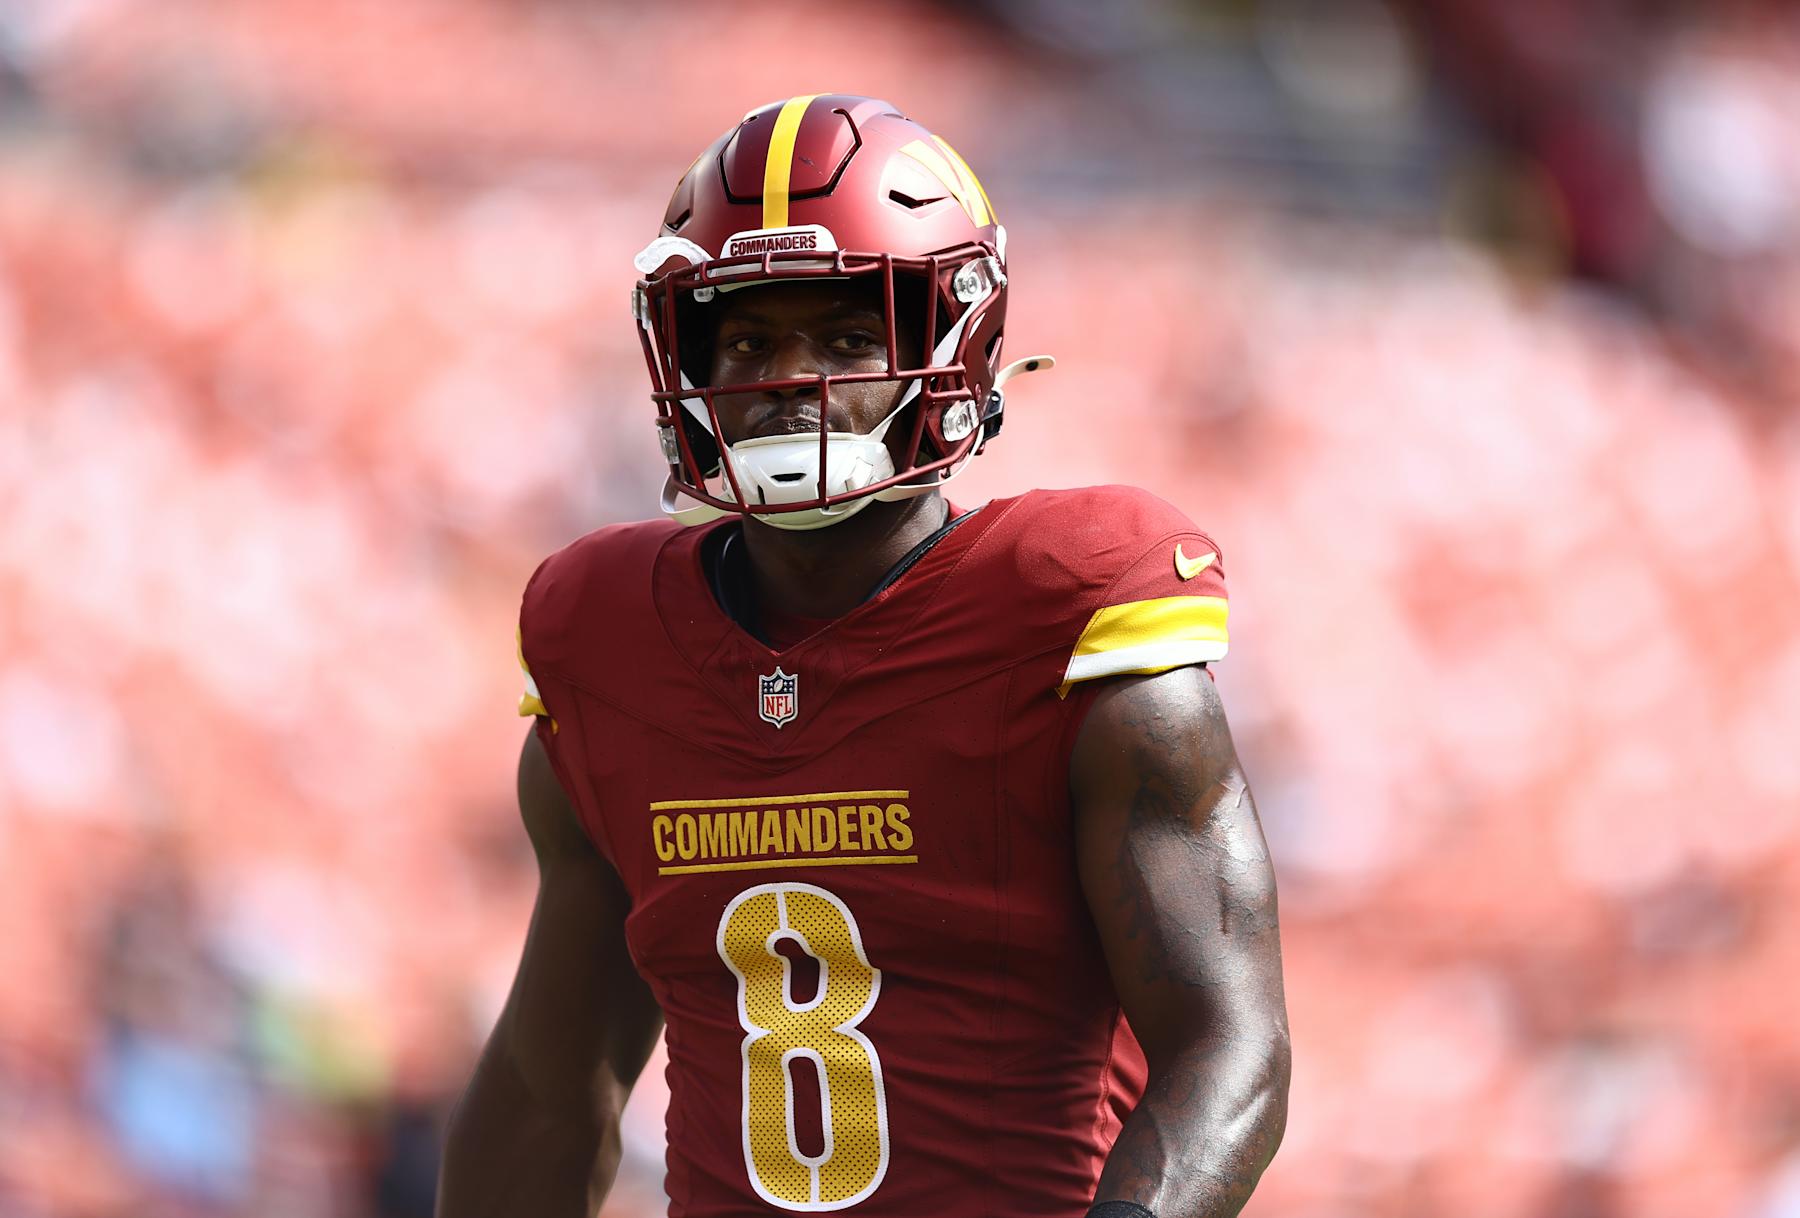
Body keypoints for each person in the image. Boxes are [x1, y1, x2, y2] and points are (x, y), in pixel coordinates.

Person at [437, 94, 1289, 1218]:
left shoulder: (1065, 613)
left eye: (848, 335)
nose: (792, 375)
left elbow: (1231, 1051)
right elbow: (554, 1087)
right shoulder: (608, 642)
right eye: (746, 337)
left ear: (957, 340)